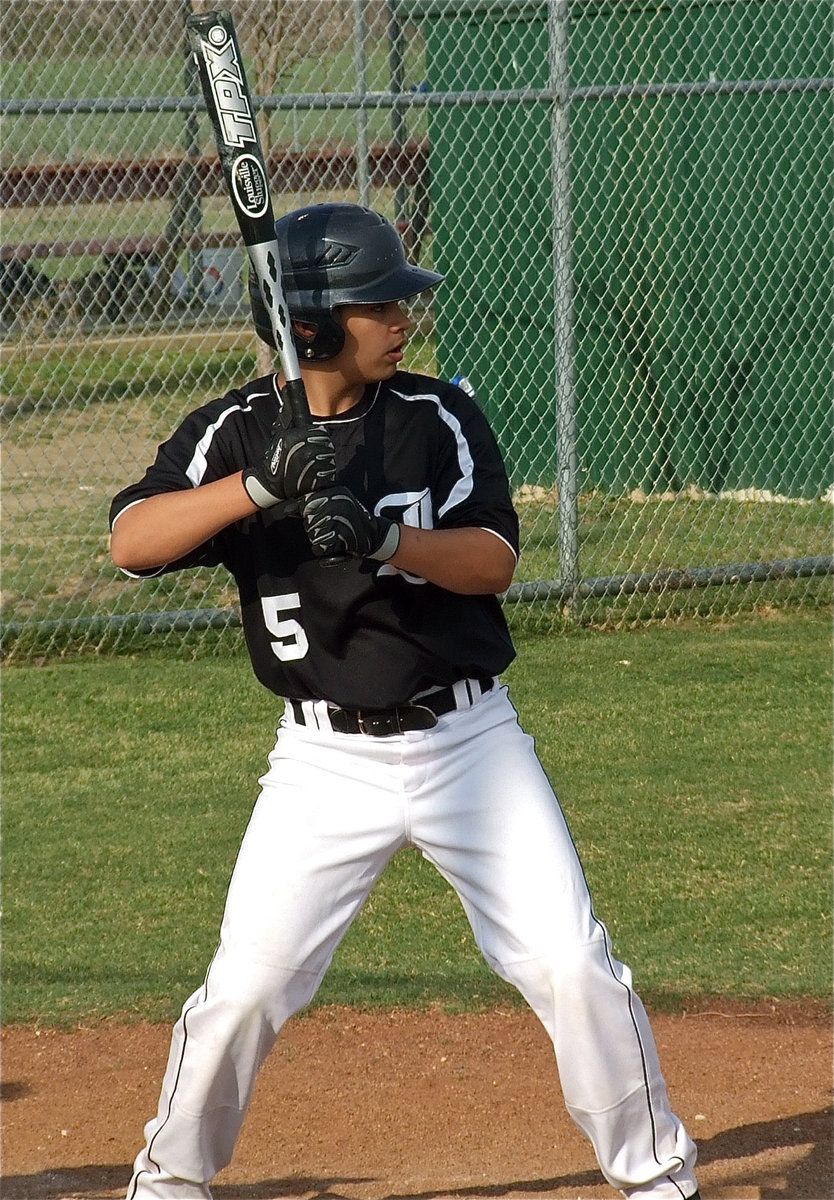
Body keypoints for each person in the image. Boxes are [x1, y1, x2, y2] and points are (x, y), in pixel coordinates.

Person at [110, 202, 700, 1200]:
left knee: (571, 965)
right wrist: (257, 491)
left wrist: (387, 541)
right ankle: (168, 1183)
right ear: (313, 326)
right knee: (247, 986)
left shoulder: (435, 420)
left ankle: (657, 1180)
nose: (402, 318)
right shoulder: (231, 431)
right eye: (380, 303)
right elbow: (132, 542)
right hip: (323, 763)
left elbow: (494, 561)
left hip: (472, 743)